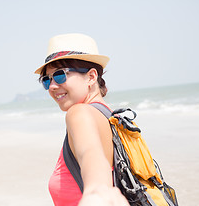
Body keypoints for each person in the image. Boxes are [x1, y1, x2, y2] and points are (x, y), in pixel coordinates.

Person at [34, 33, 129, 205]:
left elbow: (90, 154)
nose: (53, 86)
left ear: (91, 77)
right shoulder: (112, 117)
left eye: (60, 75)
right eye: (46, 80)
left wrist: (97, 191)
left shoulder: (79, 113)